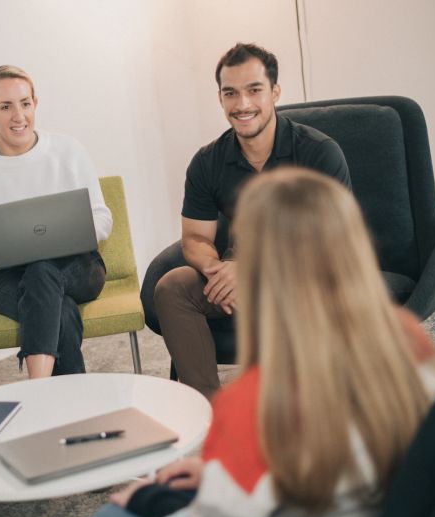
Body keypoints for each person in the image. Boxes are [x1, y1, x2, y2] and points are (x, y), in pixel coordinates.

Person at [77, 167, 435, 517]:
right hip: (367, 516)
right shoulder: (408, 338)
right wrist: (219, 475)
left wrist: (148, 500)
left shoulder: (256, 403)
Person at [150, 43, 351, 399]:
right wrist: (219, 272)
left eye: (254, 90)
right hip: (238, 268)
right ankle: (211, 411)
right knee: (173, 286)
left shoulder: (318, 152)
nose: (242, 105)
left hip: (307, 272)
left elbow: (332, 241)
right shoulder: (207, 161)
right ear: (220, 98)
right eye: (231, 93)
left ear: (274, 92)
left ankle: (307, 403)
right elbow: (195, 237)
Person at [0, 65, 113, 378]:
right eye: (6, 106)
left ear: (35, 104)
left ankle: (37, 391)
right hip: (9, 279)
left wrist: (73, 236)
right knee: (59, 308)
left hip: (78, 267)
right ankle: (75, 400)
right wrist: (10, 252)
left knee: (41, 271)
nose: (18, 116)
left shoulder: (68, 151)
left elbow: (102, 217)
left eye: (25, 103)